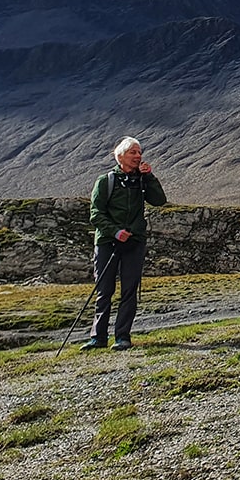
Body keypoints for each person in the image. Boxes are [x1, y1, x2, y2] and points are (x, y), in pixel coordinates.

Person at [83, 136, 167, 351]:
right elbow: (95, 214)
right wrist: (115, 231)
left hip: (134, 241)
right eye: (133, 152)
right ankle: (98, 338)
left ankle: (122, 337)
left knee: (129, 290)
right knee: (104, 289)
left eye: (139, 152)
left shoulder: (141, 180)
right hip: (107, 242)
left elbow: (159, 200)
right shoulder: (106, 181)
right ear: (120, 155)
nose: (138, 156)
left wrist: (149, 178)